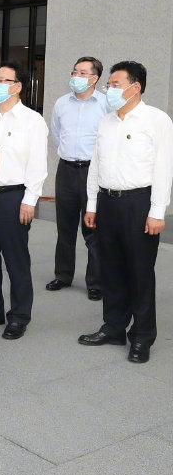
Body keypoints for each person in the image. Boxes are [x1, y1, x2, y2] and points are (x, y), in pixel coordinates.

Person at [78, 61, 173, 364]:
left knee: (139, 272)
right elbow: (96, 165)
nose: (109, 90)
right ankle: (114, 327)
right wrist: (92, 204)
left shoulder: (156, 120)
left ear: (136, 87)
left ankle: (142, 336)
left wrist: (157, 211)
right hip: (107, 202)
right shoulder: (106, 121)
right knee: (111, 269)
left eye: (116, 85)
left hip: (138, 204)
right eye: (109, 85)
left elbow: (163, 168)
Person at [0, 61, 49, 339]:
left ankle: (19, 316)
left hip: (13, 197)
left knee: (16, 260)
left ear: (18, 86)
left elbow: (38, 164)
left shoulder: (32, 121)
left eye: (3, 80)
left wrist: (30, 200)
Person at [47, 56, 108, 300]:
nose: (76, 76)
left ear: (95, 78)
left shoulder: (106, 104)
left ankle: (96, 282)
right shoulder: (62, 103)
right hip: (66, 170)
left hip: (93, 172)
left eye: (83, 73)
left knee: (93, 228)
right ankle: (63, 275)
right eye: (74, 71)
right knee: (65, 226)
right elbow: (56, 134)